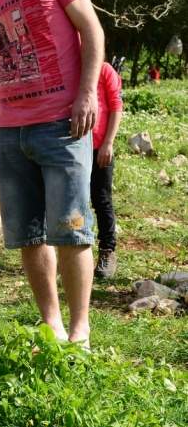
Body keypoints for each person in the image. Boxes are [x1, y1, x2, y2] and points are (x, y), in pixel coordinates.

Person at [0, 0, 104, 349]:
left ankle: (80, 331)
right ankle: (52, 325)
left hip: (62, 124)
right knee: (27, 234)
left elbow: (91, 29)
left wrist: (87, 93)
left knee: (71, 227)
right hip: (10, 132)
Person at [91, 62, 123, 278]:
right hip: (72, 147)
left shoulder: (104, 70)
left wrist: (108, 143)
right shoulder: (68, 66)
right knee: (74, 200)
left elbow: (115, 106)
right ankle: (75, 251)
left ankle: (107, 251)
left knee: (101, 198)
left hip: (99, 147)